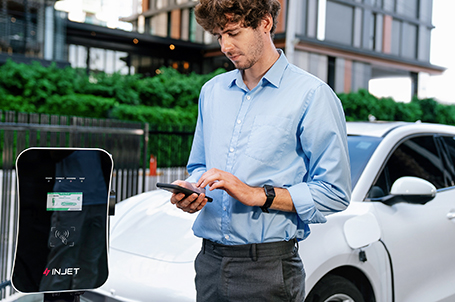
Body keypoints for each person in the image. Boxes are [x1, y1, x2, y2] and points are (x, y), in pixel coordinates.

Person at [170, 0, 351, 301]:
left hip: (268, 269)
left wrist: (258, 194)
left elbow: (335, 191)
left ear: (265, 23)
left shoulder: (312, 95)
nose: (225, 46)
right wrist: (192, 191)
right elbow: (199, 167)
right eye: (219, 35)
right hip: (209, 264)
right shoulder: (211, 92)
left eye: (234, 32)